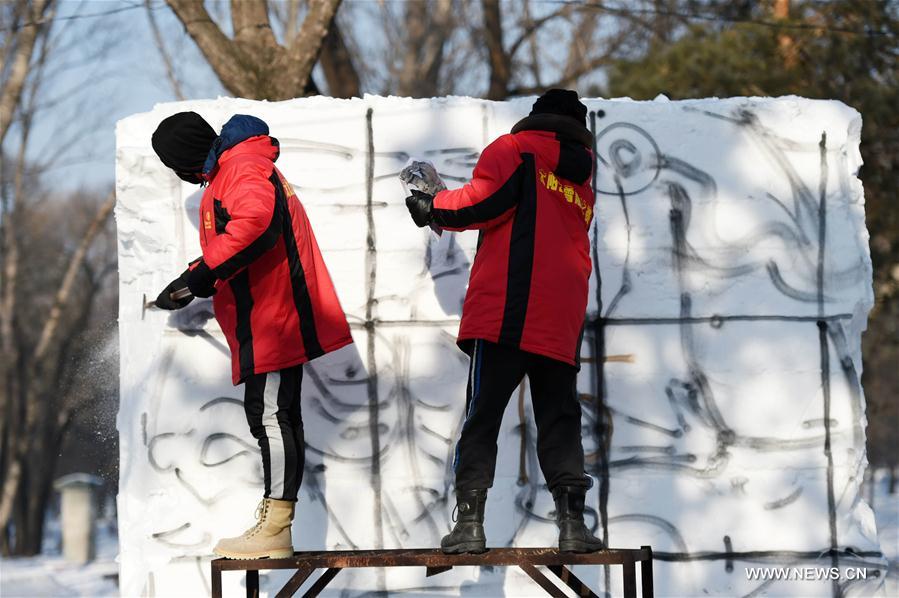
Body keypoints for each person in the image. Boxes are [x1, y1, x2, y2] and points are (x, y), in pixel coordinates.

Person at [403, 89, 603, 554]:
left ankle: (470, 525)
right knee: (559, 419)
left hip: (509, 312)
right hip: (561, 318)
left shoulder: (515, 150)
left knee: (483, 416)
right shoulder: (582, 178)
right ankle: (573, 525)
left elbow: (483, 202)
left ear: (537, 117)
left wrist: (434, 207)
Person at [151, 111, 353, 559]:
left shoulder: (239, 167)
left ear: (184, 156)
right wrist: (193, 279)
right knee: (276, 416)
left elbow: (256, 223)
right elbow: (240, 236)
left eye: (174, 164)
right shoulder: (235, 168)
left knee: (271, 418)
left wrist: (202, 274)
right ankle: (275, 522)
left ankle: (275, 528)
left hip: (273, 314)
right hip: (266, 313)